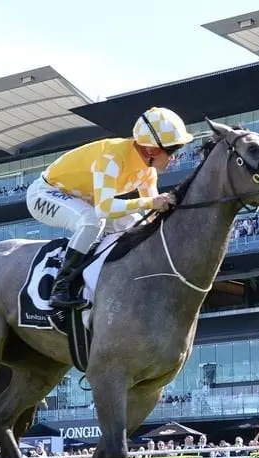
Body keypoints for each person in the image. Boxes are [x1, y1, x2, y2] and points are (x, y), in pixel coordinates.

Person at [25, 107, 194, 308]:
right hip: (44, 193)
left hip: (83, 200)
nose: (174, 158)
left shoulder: (148, 170)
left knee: (132, 225)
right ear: (151, 150)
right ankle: (61, 287)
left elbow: (151, 217)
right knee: (93, 221)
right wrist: (150, 202)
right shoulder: (112, 158)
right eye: (172, 150)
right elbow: (105, 209)